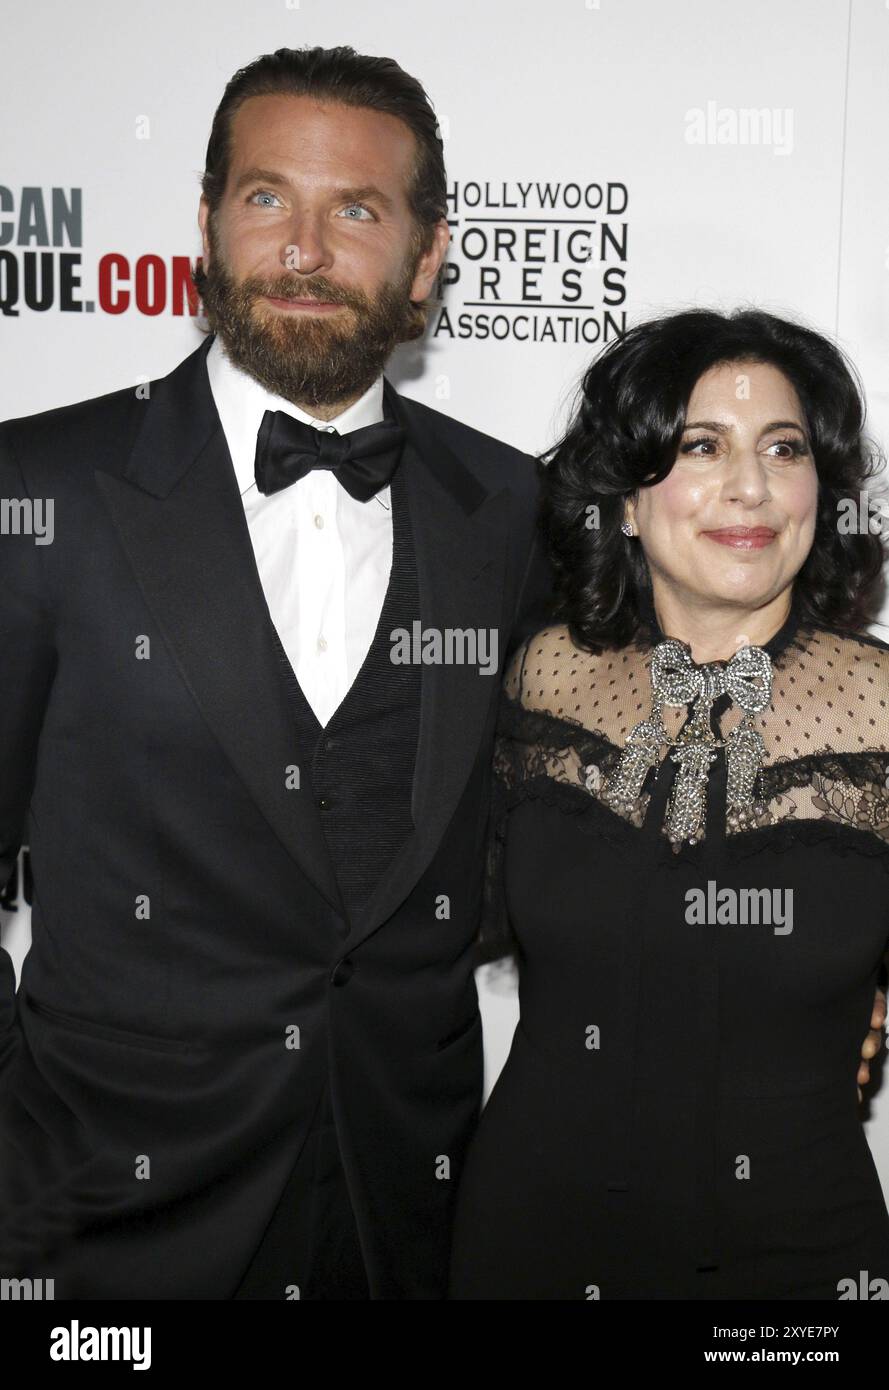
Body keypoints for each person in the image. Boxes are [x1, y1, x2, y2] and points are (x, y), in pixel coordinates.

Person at [0, 45, 548, 1299]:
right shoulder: (39, 491)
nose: (303, 248)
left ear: (426, 256)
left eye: (355, 210)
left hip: (405, 1203)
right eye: (266, 199)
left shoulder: (508, 507)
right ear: (204, 224)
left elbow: (577, 806)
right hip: (103, 1217)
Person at [448, 308, 889, 1300]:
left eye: (785, 448)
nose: (751, 487)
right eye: (702, 446)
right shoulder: (541, 677)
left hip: (801, 1261)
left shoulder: (881, 713)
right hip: (531, 1240)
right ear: (627, 501)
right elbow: (429, 928)